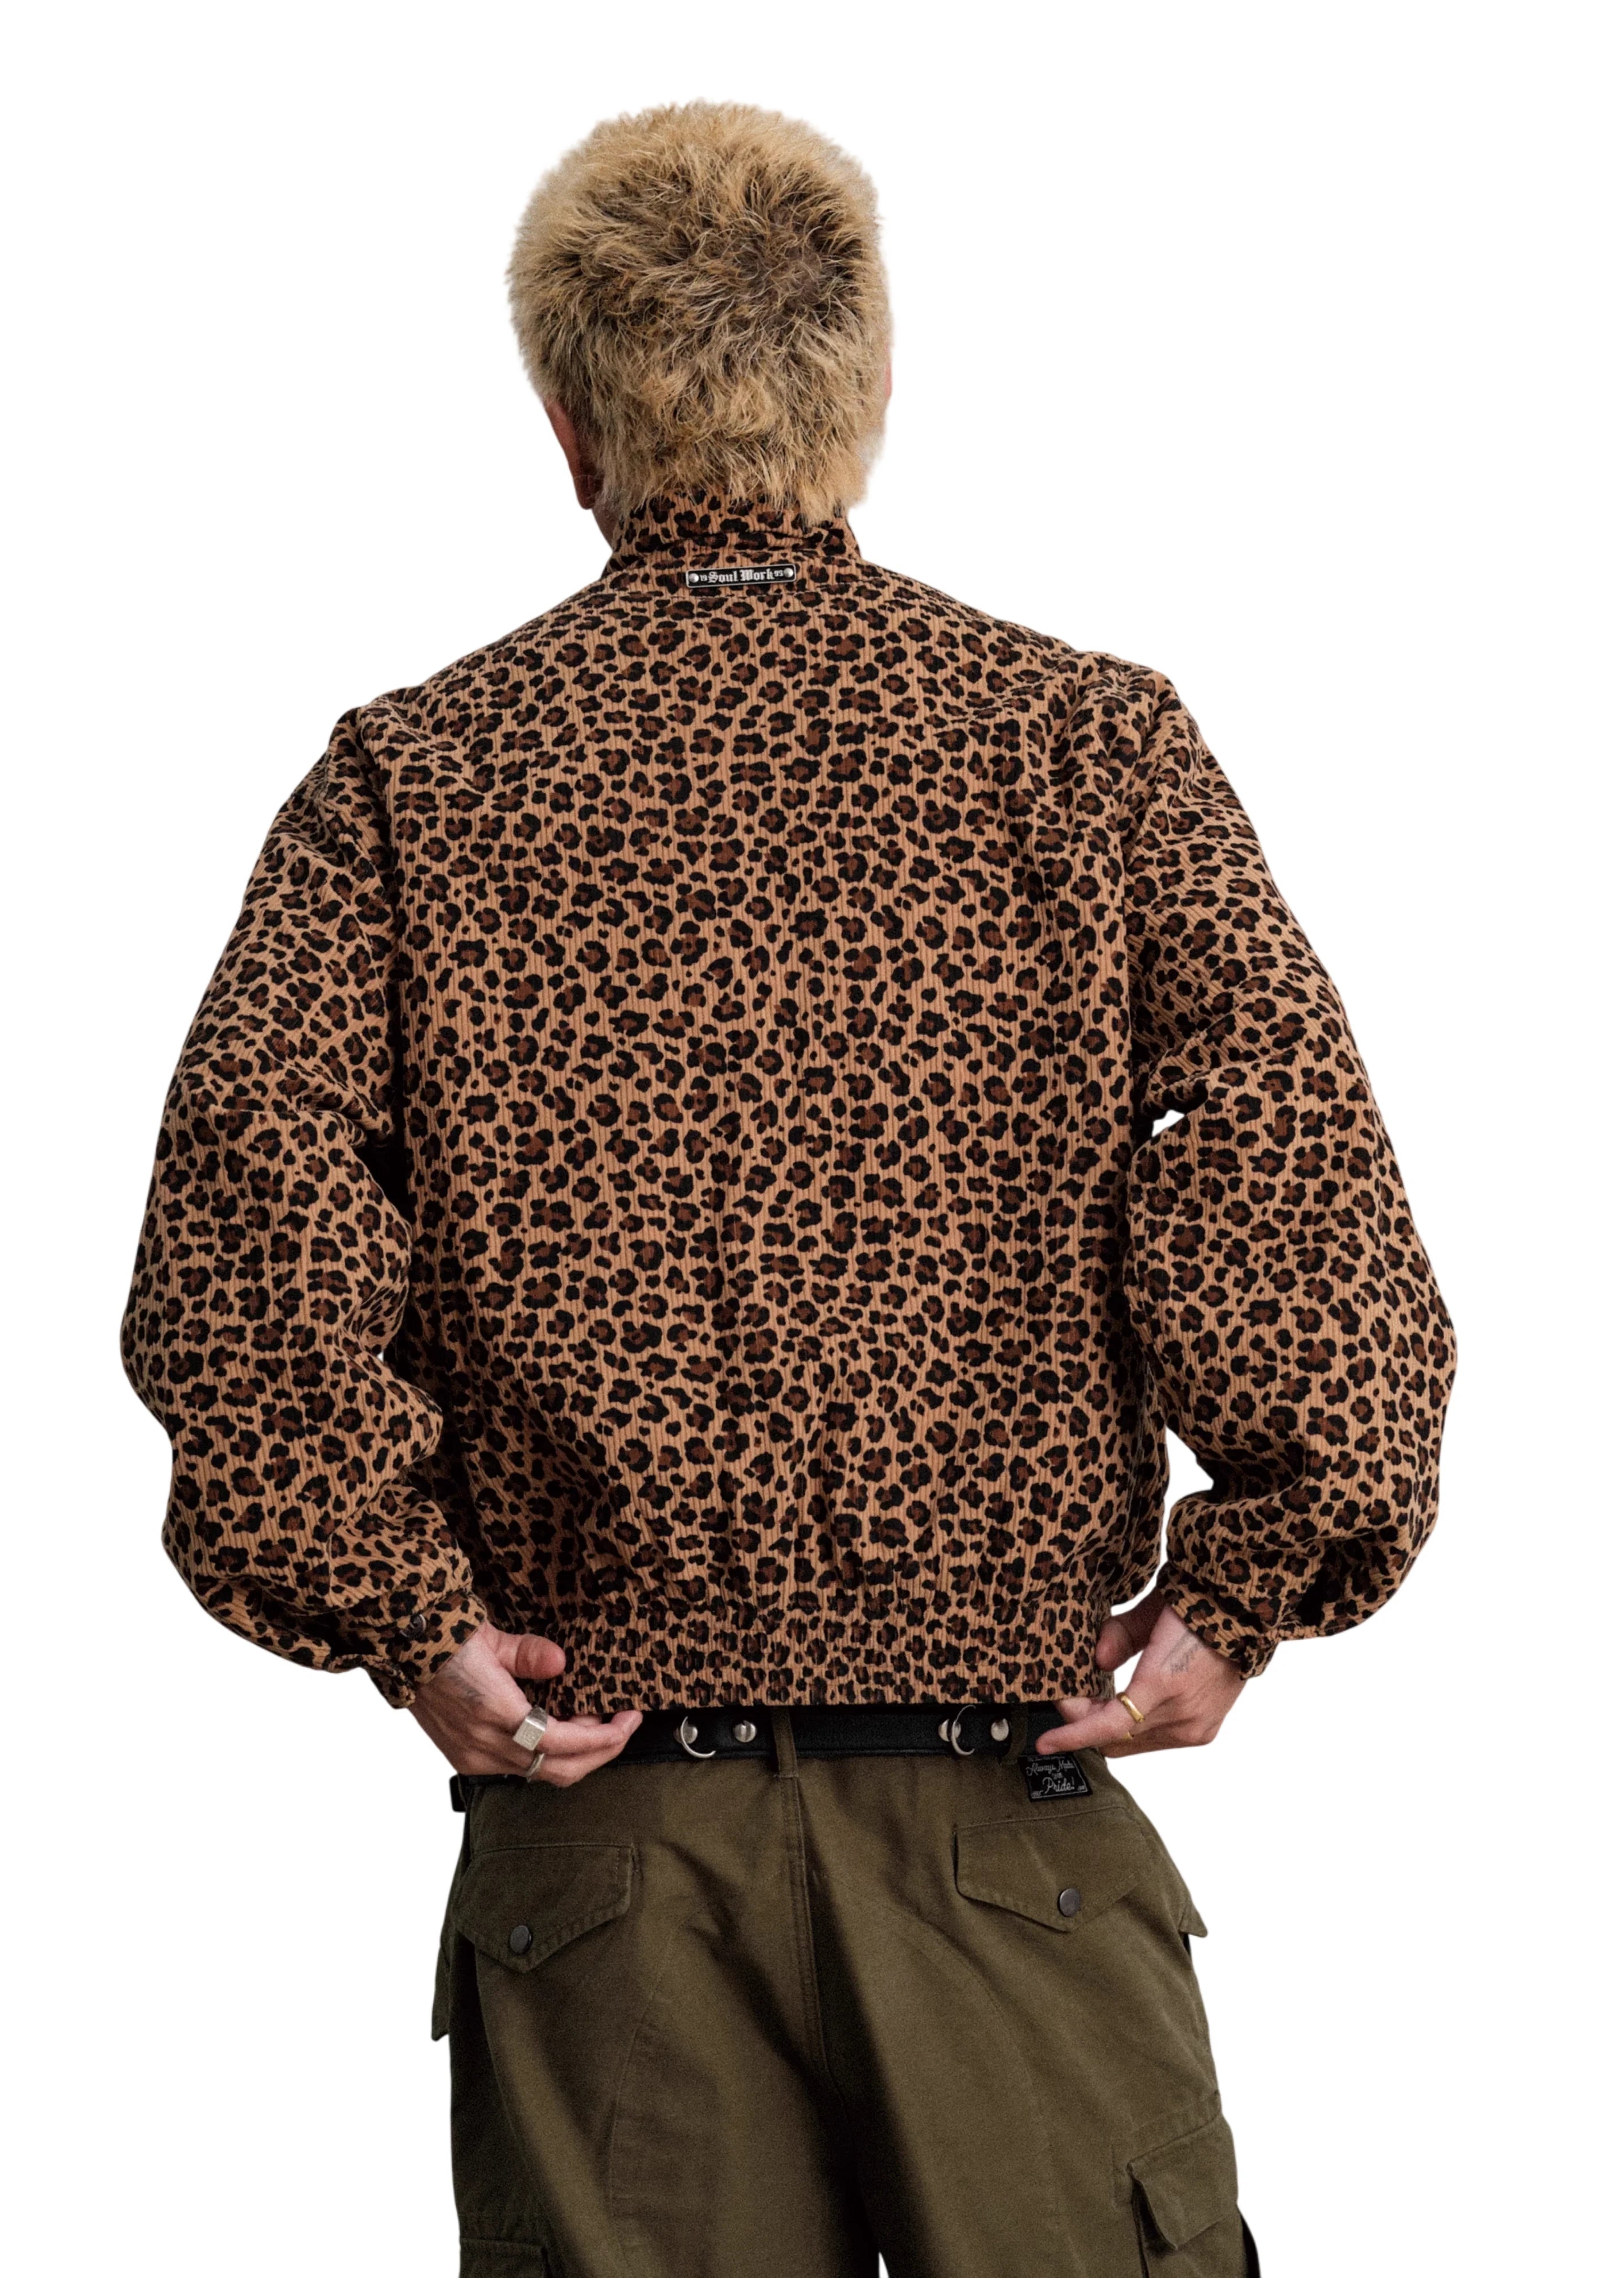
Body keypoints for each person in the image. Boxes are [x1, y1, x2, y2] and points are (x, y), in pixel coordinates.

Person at [122, 99, 1454, 2278]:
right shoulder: (1081, 745)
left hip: (611, 1855)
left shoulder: (416, 781)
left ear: (567, 423)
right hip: (1007, 1828)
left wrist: (412, 1620)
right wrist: (1251, 1589)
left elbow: (242, 1247)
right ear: (874, 389)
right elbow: (1287, 1166)